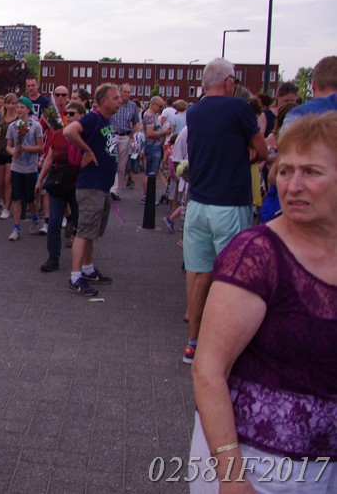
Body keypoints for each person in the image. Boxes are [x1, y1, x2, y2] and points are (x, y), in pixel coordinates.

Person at [189, 112, 337, 493]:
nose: (293, 185)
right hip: (259, 465)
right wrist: (232, 476)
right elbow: (208, 370)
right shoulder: (256, 254)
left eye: (311, 172)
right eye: (285, 171)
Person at [182, 59, 268, 365]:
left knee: (199, 273)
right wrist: (248, 154)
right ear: (229, 82)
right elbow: (263, 150)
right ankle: (226, 345)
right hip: (230, 203)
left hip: (197, 203)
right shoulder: (239, 109)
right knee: (231, 276)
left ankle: (193, 344)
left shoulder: (193, 111)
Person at [63, 83, 121, 297]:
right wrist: (86, 150)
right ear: (104, 101)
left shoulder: (106, 121)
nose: (120, 101)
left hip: (101, 186)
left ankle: (87, 268)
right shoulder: (93, 118)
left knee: (91, 232)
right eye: (116, 98)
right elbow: (69, 131)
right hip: (91, 186)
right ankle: (75, 276)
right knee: (84, 231)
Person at [36, 101, 85, 272]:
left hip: (78, 182)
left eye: (72, 114)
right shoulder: (58, 135)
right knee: (54, 222)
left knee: (80, 222)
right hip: (59, 180)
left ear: (82, 116)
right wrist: (40, 180)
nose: (68, 116)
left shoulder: (86, 135)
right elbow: (49, 159)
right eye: (67, 114)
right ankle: (53, 256)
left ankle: (83, 259)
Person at [6, 97, 44, 242]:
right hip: (16, 167)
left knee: (30, 198)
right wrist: (13, 152)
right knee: (16, 197)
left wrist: (25, 148)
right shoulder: (12, 126)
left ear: (28, 109)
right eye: (17, 107)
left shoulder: (36, 126)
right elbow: (8, 146)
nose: (19, 110)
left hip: (30, 168)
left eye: (22, 107)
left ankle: (35, 217)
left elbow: (40, 147)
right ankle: (16, 228)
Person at [108, 83, 141, 201]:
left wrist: (131, 134)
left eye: (129, 92)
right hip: (113, 135)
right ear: (120, 92)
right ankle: (109, 187)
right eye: (124, 92)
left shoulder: (132, 106)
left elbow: (136, 122)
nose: (126, 94)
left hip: (125, 136)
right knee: (111, 161)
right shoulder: (114, 102)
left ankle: (115, 190)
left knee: (121, 165)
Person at [140, 96, 172, 203]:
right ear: (153, 104)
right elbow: (149, 133)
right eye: (160, 106)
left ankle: (148, 196)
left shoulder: (152, 115)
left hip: (154, 146)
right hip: (152, 147)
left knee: (150, 171)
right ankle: (147, 197)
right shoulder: (150, 116)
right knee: (151, 173)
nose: (161, 109)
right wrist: (164, 132)